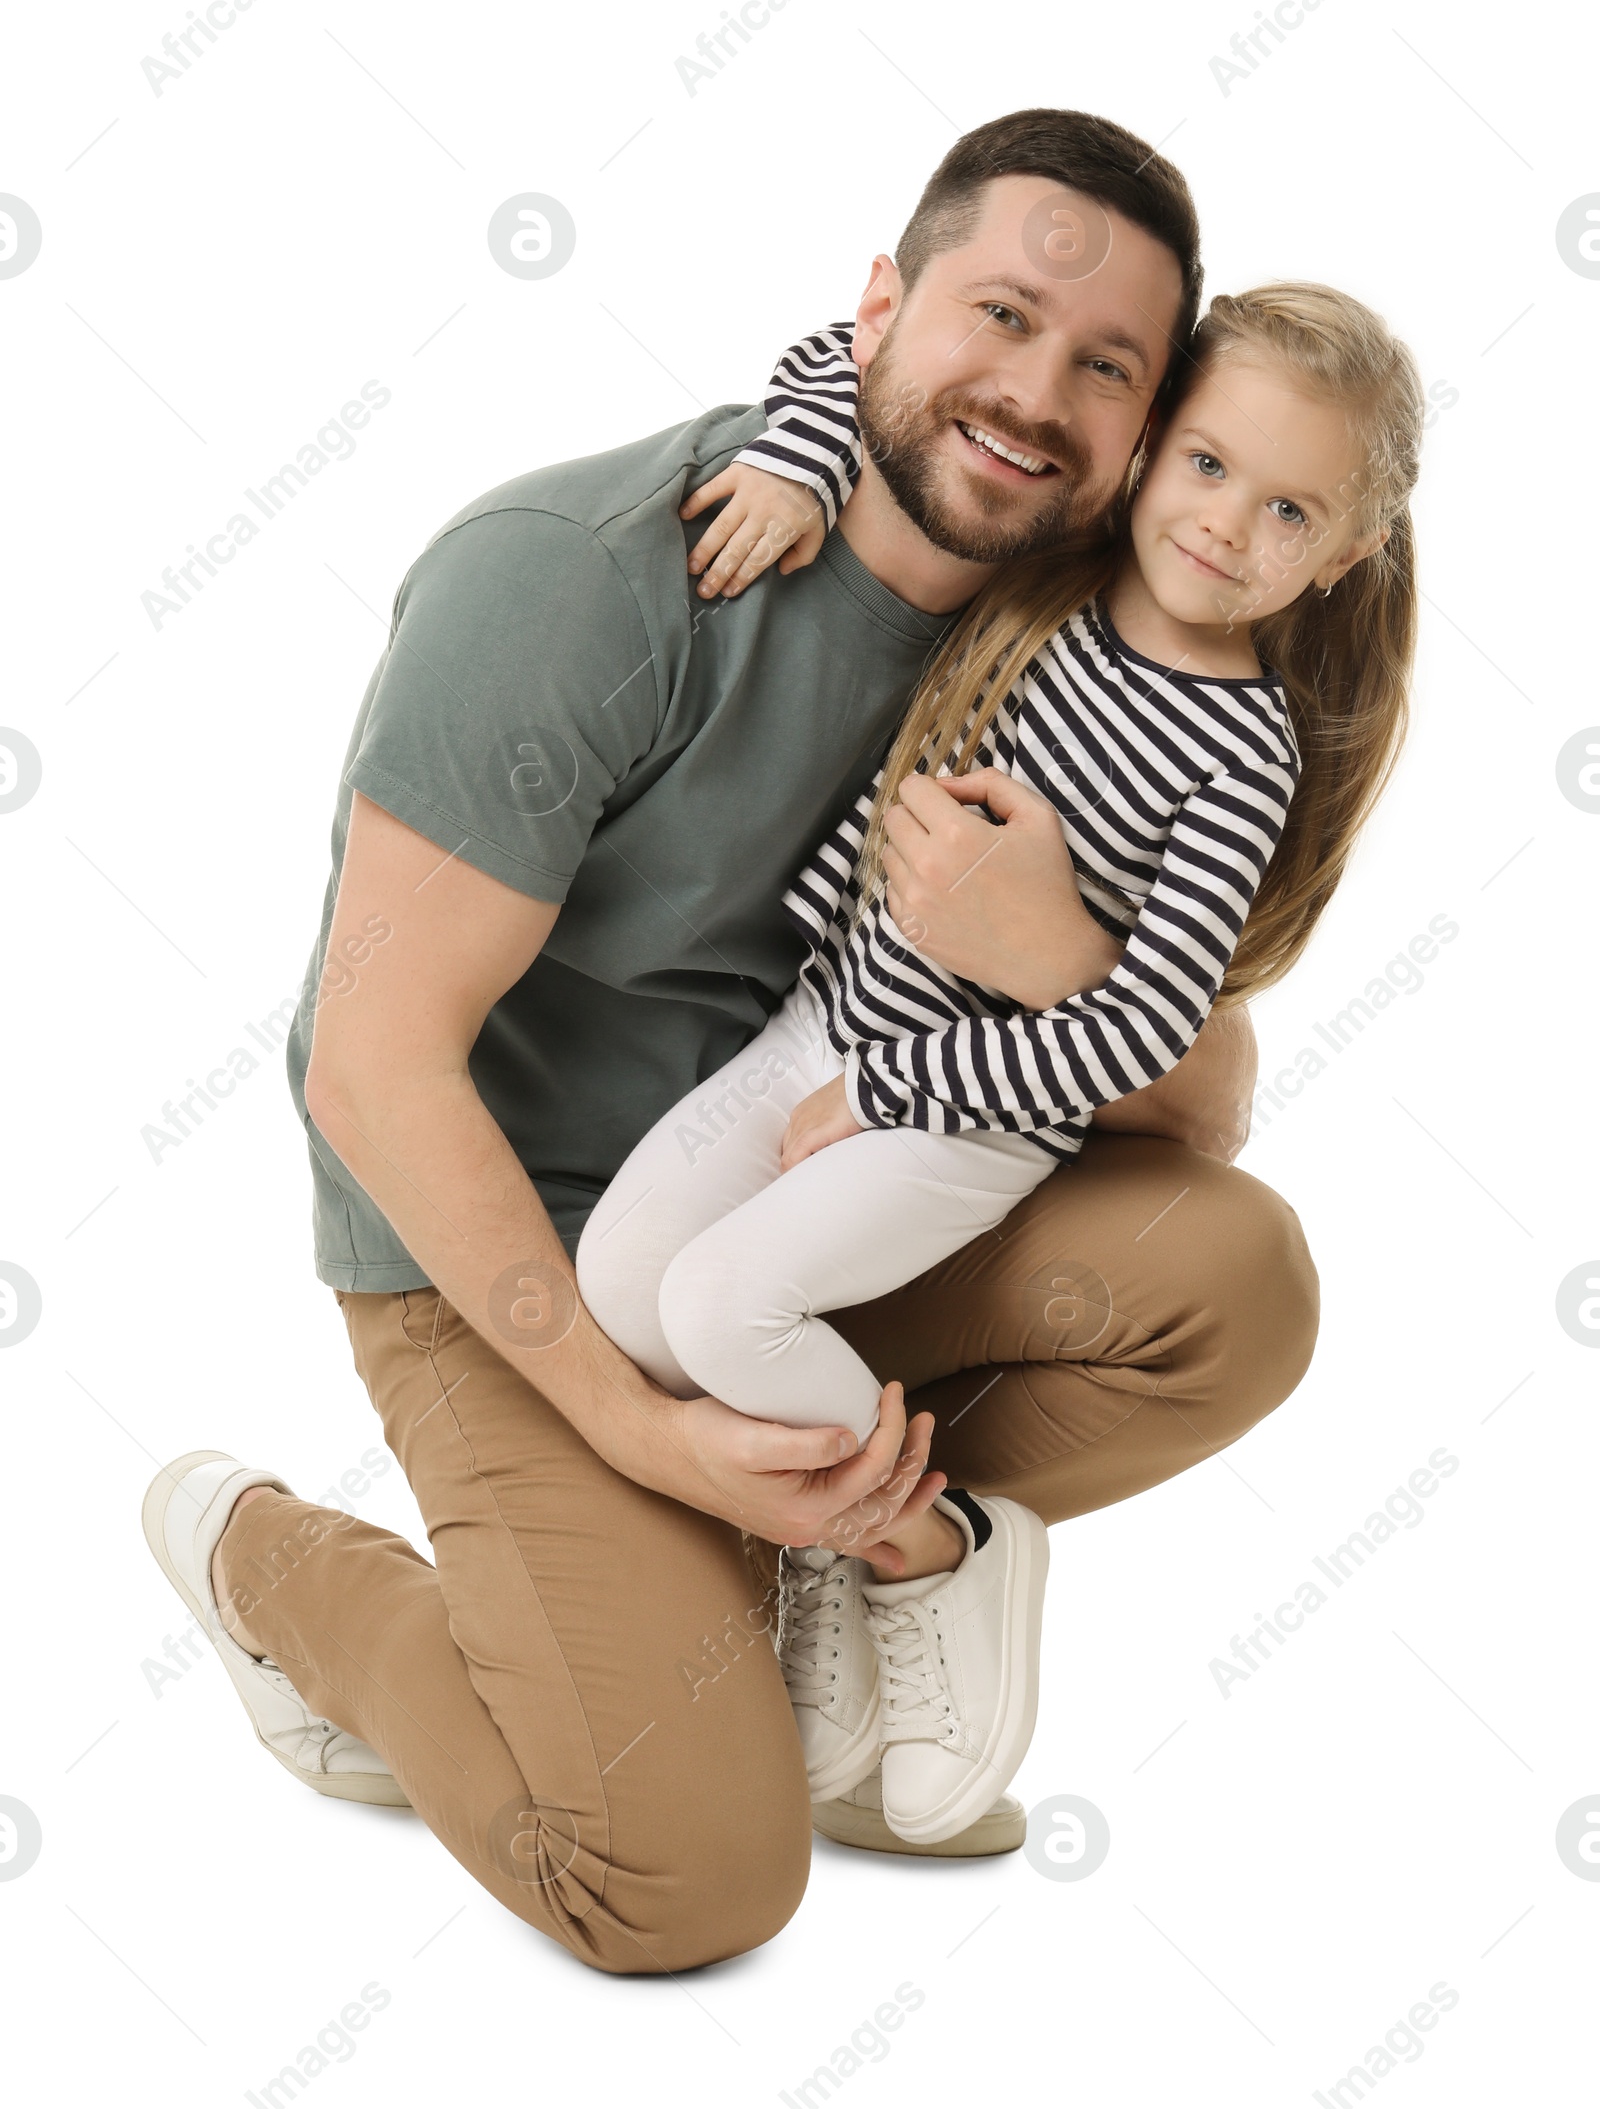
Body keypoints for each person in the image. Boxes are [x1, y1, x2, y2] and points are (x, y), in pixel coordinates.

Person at [139, 108, 1322, 1975]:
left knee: (1232, 1279)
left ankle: (856, 1567)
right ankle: (278, 1567)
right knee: (680, 1883)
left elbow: (1206, 1103)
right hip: (507, 1260)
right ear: (878, 307)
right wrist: (644, 1433)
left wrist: (1044, 944)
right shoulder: (581, 576)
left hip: (813, 1204)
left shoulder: (1087, 633)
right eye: (998, 314)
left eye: (1107, 366)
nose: (1034, 393)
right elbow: (365, 1067)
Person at [575, 282, 1421, 1847]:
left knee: (716, 1306)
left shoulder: (1241, 756)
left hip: (976, 1113)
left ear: (1344, 554)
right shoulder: (1051, 589)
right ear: (1153, 442)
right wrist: (794, 462)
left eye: (1291, 508)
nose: (1231, 527)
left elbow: (1143, 1031)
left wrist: (892, 1097)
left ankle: (923, 1546)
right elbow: (860, 353)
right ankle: (844, 1532)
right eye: (1212, 466)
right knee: (625, 1284)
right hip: (818, 1030)